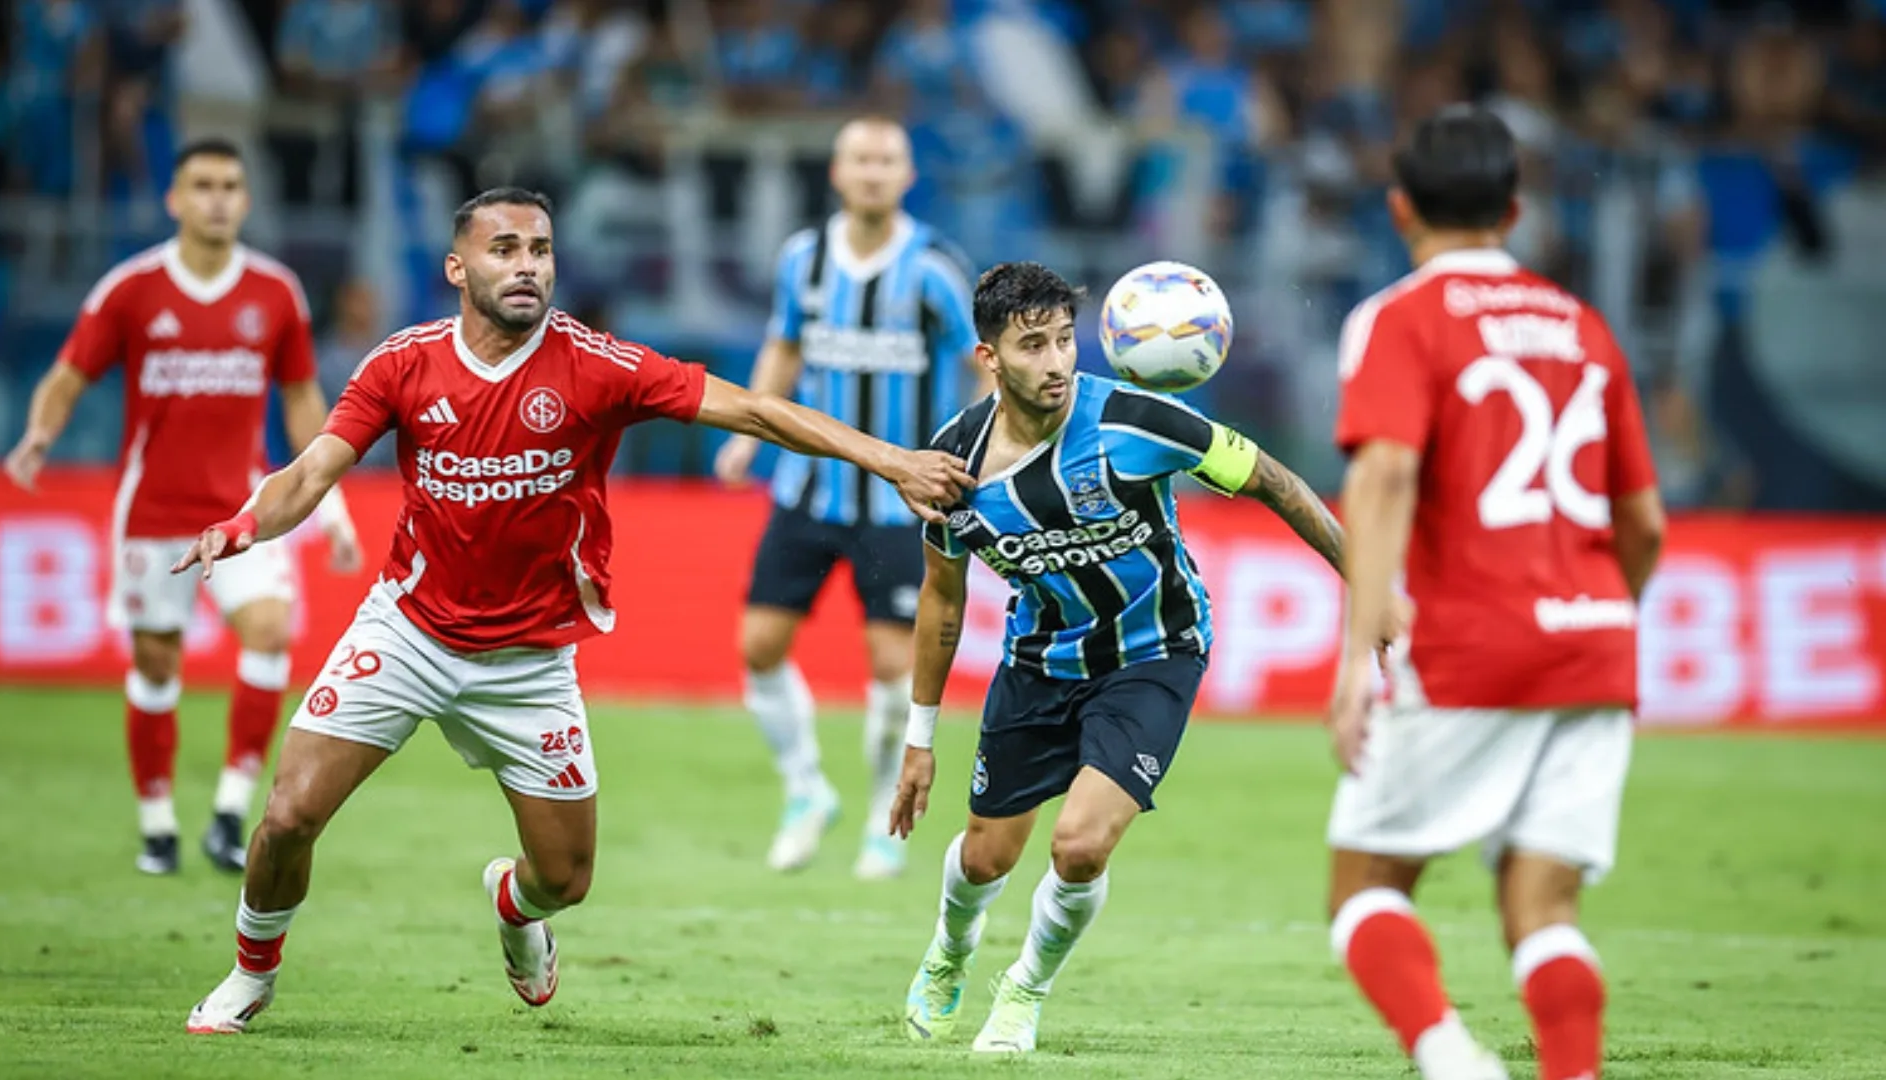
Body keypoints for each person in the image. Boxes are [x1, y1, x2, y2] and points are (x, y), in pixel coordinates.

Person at [179, 187, 972, 1035]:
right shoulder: (402, 364)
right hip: (406, 631)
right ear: (457, 267)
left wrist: (891, 461)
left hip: (530, 660)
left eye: (541, 250)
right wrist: (241, 526)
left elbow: (755, 409)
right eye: (505, 249)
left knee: (565, 880)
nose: (527, 267)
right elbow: (308, 475)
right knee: (289, 813)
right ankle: (250, 974)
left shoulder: (597, 365)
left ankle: (517, 910)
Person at [886, 261, 1389, 1053]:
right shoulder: (949, 466)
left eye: (1063, 341)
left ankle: (1024, 991)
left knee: (1081, 844)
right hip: (1039, 661)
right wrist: (919, 737)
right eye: (1032, 347)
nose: (1055, 363)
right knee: (984, 859)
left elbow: (1279, 483)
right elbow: (943, 598)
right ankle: (950, 953)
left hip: (1156, 652)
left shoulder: (1139, 421)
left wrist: (1368, 587)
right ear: (989, 359)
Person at [1325, 106, 1665, 1080]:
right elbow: (1645, 525)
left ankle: (1450, 1059)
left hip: (1473, 642)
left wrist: (1356, 660)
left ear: (1400, 209)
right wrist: (1599, 619)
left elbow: (1385, 475)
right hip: (1599, 638)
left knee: (1365, 887)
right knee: (1543, 909)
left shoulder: (1398, 318)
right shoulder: (1583, 327)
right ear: (1515, 210)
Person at [3, 137, 362, 877]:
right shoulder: (131, 289)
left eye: (231, 184)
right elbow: (69, 373)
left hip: (244, 510)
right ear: (175, 199)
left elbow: (301, 399)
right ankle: (158, 823)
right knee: (157, 662)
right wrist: (41, 430)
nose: (218, 198)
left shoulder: (275, 293)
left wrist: (328, 504)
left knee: (268, 634)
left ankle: (231, 812)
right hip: (152, 512)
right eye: (202, 185)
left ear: (247, 199)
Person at [713, 115, 982, 880]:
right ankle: (805, 791)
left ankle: (877, 817)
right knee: (758, 646)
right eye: (859, 159)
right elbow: (786, 344)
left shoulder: (934, 267)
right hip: (809, 490)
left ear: (907, 175)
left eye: (886, 160)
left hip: (899, 504)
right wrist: (747, 429)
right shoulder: (804, 258)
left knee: (891, 666)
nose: (871, 172)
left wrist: (985, 451)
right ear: (837, 172)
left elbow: (981, 361)